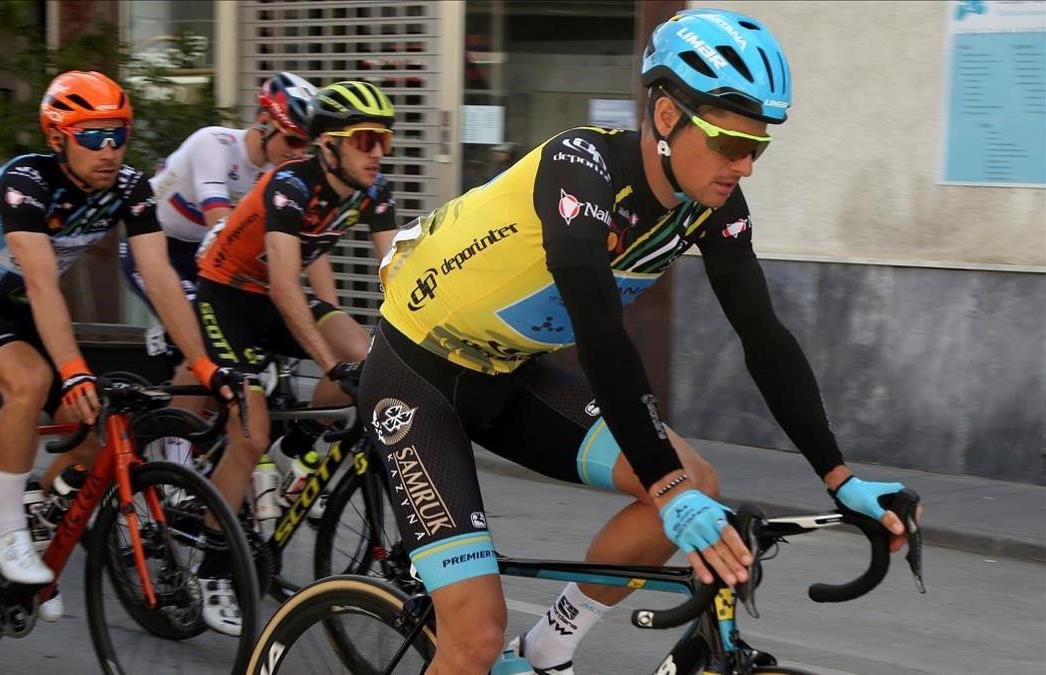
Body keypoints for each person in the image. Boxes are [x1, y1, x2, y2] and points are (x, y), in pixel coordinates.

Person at [360, 9, 922, 674]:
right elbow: (600, 336)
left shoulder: (713, 204)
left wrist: (840, 477)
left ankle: (546, 648)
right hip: (418, 379)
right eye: (728, 143)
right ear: (666, 117)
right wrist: (666, 485)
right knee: (475, 636)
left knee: (697, 483)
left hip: (509, 374)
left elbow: (763, 335)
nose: (744, 166)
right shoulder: (581, 169)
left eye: (758, 148)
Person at [0, 70, 247, 629]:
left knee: (88, 442)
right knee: (30, 381)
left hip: (23, 308)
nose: (110, 149)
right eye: (92, 135)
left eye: (118, 133)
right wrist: (74, 371)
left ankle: (37, 533)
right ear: (58, 137)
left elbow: (163, 281)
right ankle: (7, 532)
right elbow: (45, 282)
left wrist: (203, 365)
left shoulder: (129, 188)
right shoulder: (25, 181)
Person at [193, 78, 399, 561]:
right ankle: (213, 559)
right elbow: (287, 285)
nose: (378, 153)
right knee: (251, 433)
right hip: (228, 295)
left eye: (384, 140)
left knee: (366, 355)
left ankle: (301, 447)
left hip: (271, 298)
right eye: (366, 140)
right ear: (329, 146)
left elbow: (397, 272)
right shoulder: (289, 184)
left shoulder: (373, 189)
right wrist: (330, 368)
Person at [117, 72, 318, 445]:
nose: (298, 152)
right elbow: (220, 229)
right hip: (156, 249)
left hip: (201, 255)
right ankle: (175, 456)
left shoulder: (280, 171)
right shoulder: (215, 144)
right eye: (292, 139)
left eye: (306, 145)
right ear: (263, 122)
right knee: (206, 335)